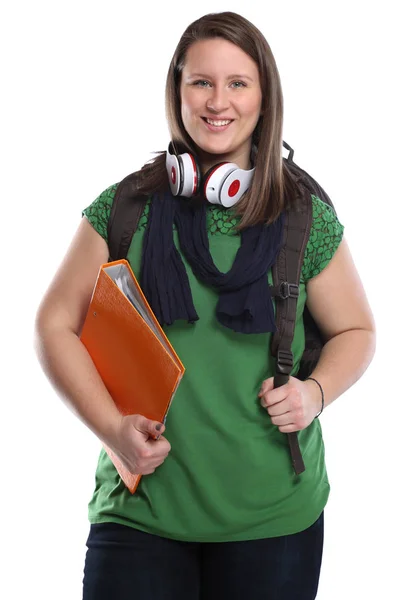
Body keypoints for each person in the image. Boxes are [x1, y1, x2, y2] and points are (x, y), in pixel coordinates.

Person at [34, 11, 376, 600]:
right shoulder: (125, 206)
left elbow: (356, 330)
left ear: (264, 99)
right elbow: (53, 324)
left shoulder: (305, 216)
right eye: (201, 82)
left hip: (274, 521)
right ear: (177, 92)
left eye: (238, 83)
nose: (219, 102)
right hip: (141, 514)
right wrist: (115, 433)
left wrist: (313, 394)